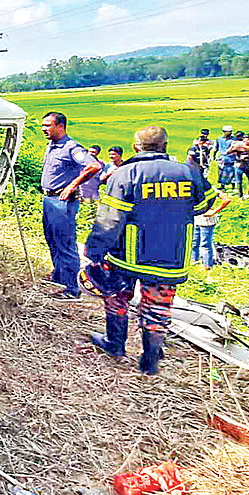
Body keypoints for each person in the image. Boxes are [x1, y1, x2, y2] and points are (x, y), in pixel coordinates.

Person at [81, 125, 216, 374]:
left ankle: (115, 345)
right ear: (165, 145)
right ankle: (150, 362)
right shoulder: (188, 172)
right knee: (158, 306)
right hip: (171, 255)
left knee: (117, 297)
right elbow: (204, 205)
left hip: (128, 256)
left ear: (135, 147)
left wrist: (94, 250)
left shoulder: (125, 174)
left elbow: (110, 220)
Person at [39, 112, 101, 300]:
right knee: (53, 241)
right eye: (43, 125)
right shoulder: (52, 145)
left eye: (48, 125)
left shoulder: (71, 147)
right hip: (49, 200)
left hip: (62, 202)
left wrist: (73, 184)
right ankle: (59, 279)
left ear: (61, 126)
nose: (44, 129)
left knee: (65, 245)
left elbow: (94, 166)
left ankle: (71, 289)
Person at [193, 189, 233, 269]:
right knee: (194, 242)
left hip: (206, 219)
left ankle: (207, 265)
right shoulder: (195, 186)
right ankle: (194, 262)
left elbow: (227, 200)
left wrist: (214, 211)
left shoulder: (210, 189)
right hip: (195, 218)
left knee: (205, 244)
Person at [231, 132, 249, 199]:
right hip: (239, 166)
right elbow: (228, 152)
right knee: (239, 182)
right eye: (247, 139)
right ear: (244, 139)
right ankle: (240, 196)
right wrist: (234, 148)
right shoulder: (238, 145)